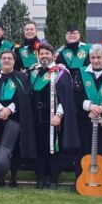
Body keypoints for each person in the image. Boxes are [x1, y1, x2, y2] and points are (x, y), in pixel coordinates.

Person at [0, 50, 36, 187]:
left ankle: (13, 177)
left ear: (14, 61)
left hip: (15, 116)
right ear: (0, 60)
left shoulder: (22, 77)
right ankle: (0, 177)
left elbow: (24, 97)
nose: (7, 60)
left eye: (10, 58)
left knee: (13, 148)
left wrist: (9, 109)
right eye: (4, 58)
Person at [27, 43, 80, 189]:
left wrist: (59, 114)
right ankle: (40, 179)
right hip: (35, 117)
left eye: (47, 54)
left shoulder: (61, 72)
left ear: (53, 55)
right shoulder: (33, 72)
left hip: (53, 117)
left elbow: (66, 97)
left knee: (53, 149)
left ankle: (54, 179)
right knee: (39, 148)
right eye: (42, 54)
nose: (44, 56)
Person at [73, 44, 102, 187]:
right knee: (83, 151)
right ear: (89, 58)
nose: (96, 60)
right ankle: (80, 181)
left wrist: (101, 108)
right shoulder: (80, 73)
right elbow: (76, 94)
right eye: (93, 57)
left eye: (99, 57)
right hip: (84, 118)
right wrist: (90, 106)